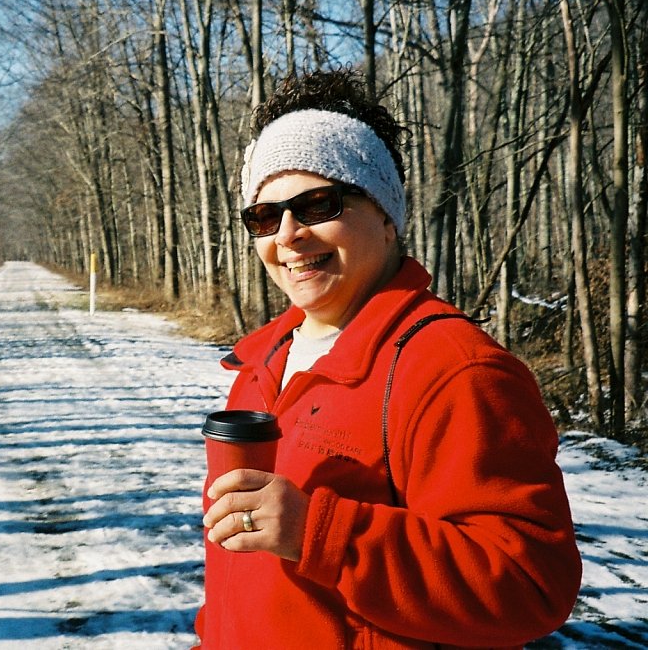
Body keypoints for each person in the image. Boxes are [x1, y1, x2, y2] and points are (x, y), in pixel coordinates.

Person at [195, 68, 581, 649]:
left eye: (318, 204)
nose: (289, 235)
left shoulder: (455, 371)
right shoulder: (262, 363)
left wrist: (321, 533)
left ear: (385, 214)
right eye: (265, 217)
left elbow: (530, 585)